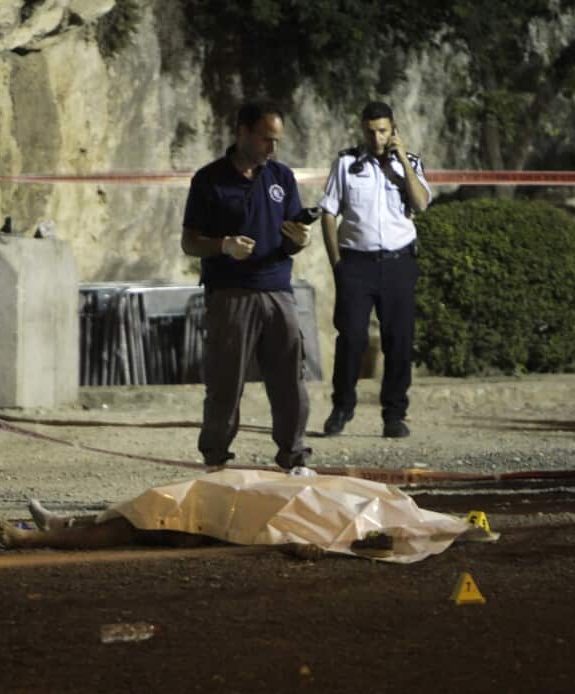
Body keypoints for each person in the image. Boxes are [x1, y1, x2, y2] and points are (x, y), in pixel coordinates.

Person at [181, 100, 315, 470]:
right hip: (230, 293)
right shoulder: (209, 179)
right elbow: (190, 241)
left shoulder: (282, 177)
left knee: (290, 380)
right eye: (264, 139)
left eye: (276, 141)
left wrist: (299, 241)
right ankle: (216, 459)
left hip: (277, 290)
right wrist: (223, 245)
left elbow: (291, 235)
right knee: (225, 384)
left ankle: (294, 456)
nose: (271, 149)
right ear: (241, 132)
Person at [318, 101, 431, 439]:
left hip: (398, 262)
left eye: (383, 130)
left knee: (398, 340)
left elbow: (422, 203)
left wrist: (402, 162)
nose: (377, 137)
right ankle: (342, 406)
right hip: (356, 263)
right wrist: (336, 263)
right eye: (371, 131)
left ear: (393, 129)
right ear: (363, 130)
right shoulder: (347, 163)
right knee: (351, 337)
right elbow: (328, 212)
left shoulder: (409, 164)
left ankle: (394, 414)